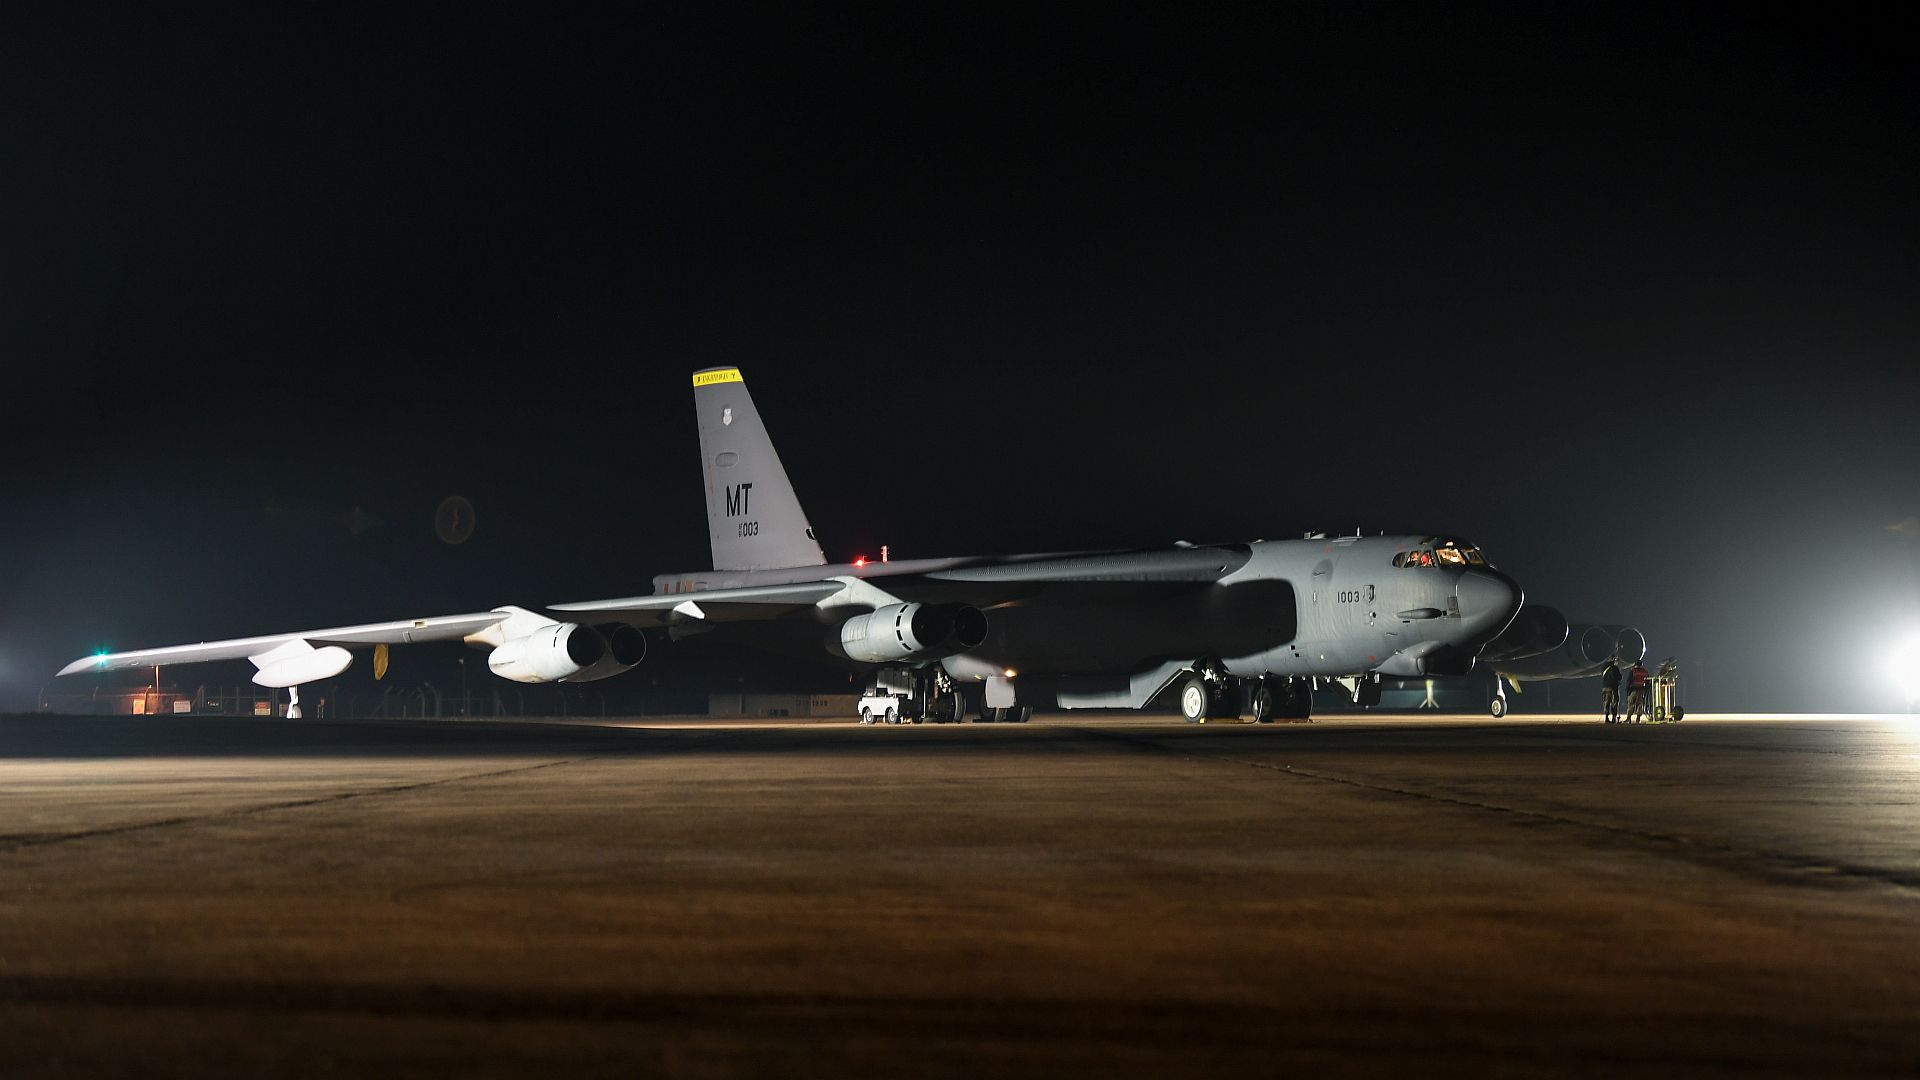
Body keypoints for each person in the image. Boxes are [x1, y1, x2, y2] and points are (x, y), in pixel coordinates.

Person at [1625, 659, 1650, 723]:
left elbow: (1628, 681)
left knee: (1631, 704)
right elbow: (1648, 682)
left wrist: (1628, 691)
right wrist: (1646, 690)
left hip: (1633, 690)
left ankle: (1629, 718)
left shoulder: (1632, 671)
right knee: (1640, 705)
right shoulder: (1645, 671)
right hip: (1641, 690)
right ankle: (1638, 719)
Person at [1600, 657, 1621, 723]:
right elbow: (1619, 677)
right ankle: (1613, 718)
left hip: (1605, 687)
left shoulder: (1604, 668)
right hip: (1613, 688)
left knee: (1606, 702)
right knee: (1614, 702)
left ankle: (1606, 717)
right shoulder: (1614, 668)